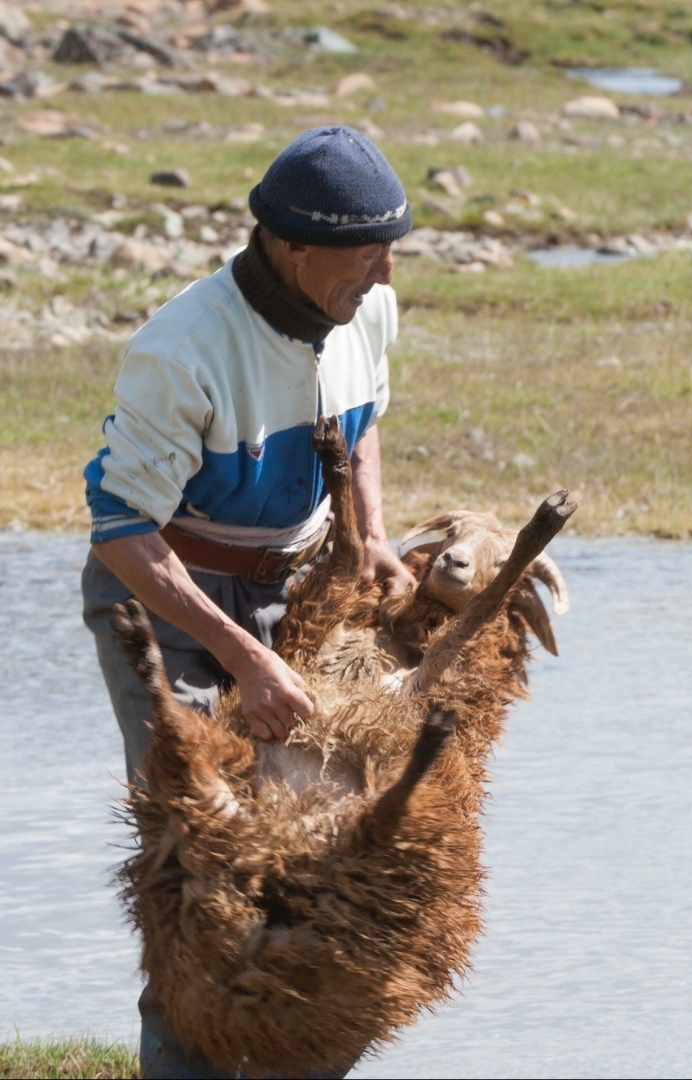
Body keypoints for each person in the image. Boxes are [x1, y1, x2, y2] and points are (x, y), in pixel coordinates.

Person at [81, 126, 415, 1079]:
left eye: (392, 248)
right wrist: (244, 656)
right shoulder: (182, 346)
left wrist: (373, 534)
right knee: (197, 859)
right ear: (293, 246)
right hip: (165, 602)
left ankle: (291, 1056)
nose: (386, 272)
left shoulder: (366, 309)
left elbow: (364, 419)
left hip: (291, 589)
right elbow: (123, 532)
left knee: (315, 836)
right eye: (368, 252)